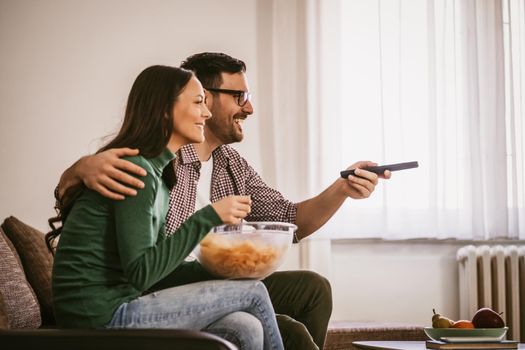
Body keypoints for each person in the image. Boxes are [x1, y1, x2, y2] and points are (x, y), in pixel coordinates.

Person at [55, 53, 391, 350]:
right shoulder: (143, 166)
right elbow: (141, 267)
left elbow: (290, 219)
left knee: (292, 298)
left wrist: (342, 188)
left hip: (157, 284)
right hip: (130, 299)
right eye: (238, 95)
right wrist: (78, 169)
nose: (249, 107)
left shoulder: (225, 165)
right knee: (256, 297)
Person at [47, 65, 285, 350]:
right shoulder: (136, 171)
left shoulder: (159, 176)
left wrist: (222, 273)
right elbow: (142, 274)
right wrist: (208, 217)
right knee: (254, 293)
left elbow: (154, 268)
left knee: (244, 327)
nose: (206, 113)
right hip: (98, 319)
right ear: (163, 109)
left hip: (119, 306)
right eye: (198, 102)